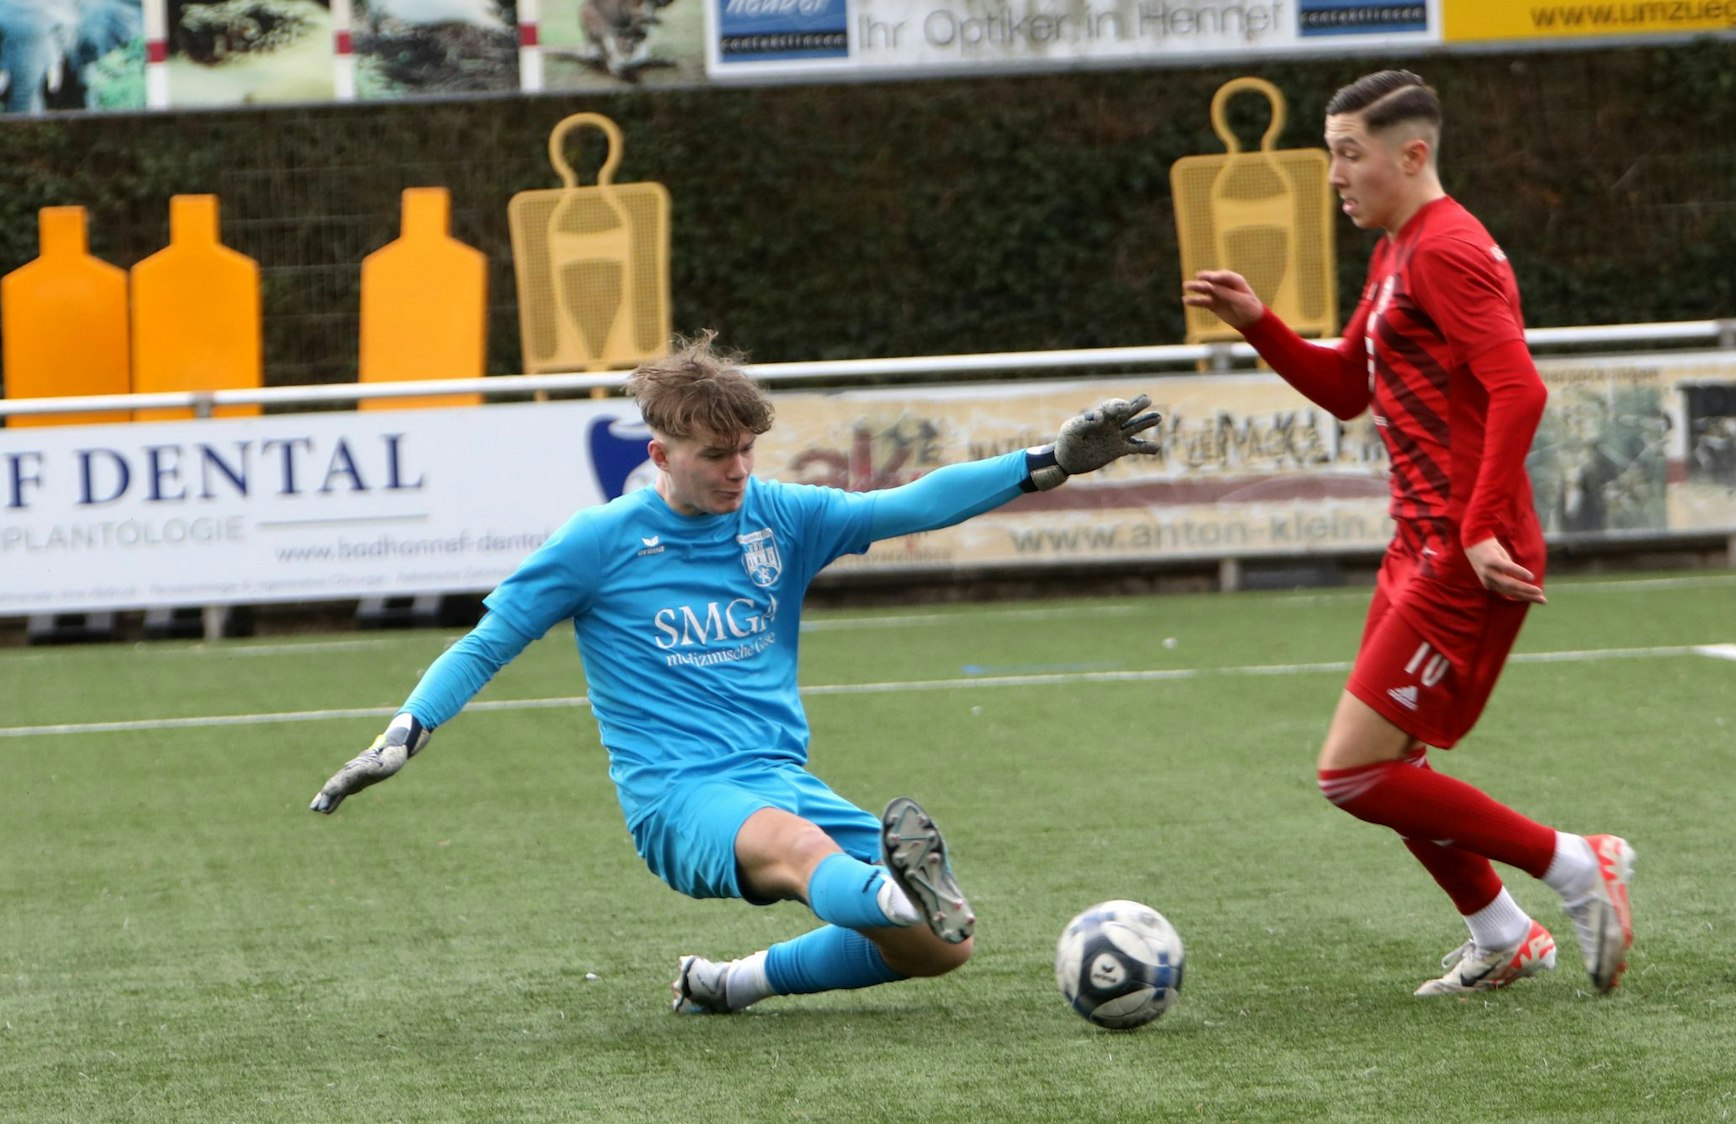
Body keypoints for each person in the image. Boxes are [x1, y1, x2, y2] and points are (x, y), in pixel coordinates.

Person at [308, 332, 1162, 1013]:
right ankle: (894, 892)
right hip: (678, 797)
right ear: (660, 453)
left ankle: (729, 982)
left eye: (748, 449)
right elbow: (485, 643)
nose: (739, 470)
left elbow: (905, 505)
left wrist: (1045, 462)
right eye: (718, 453)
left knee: (942, 949)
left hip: (779, 778)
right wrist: (403, 733)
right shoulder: (596, 543)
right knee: (805, 852)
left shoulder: (778, 517)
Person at [1183, 70, 1635, 997]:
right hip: (1419, 542)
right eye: (1331, 155)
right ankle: (1502, 933)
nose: (1335, 175)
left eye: (1348, 154)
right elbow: (1350, 384)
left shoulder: (1445, 250)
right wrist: (1261, 324)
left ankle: (1575, 864)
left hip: (1468, 548)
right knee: (1390, 762)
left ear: (1411, 154)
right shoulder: (1399, 250)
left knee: (1351, 774)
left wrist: (1475, 528)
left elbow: (1521, 388)